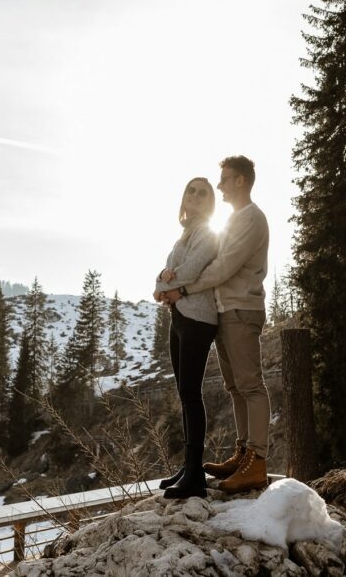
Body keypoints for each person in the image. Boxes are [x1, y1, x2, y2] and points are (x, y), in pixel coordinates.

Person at [163, 155, 270, 494]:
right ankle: (242, 452)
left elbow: (223, 267)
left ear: (240, 180)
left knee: (250, 385)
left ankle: (257, 459)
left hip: (242, 309)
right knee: (235, 387)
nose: (220, 184)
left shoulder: (251, 218)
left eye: (224, 179)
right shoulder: (235, 219)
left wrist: (183, 289)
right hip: (226, 311)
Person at [153, 177, 219, 499]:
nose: (194, 196)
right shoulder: (184, 236)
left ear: (209, 202)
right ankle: (188, 465)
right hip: (179, 317)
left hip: (198, 318)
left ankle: (196, 475)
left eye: (202, 193)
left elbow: (190, 271)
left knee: (191, 393)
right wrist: (163, 281)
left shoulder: (207, 233)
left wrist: (167, 281)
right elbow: (161, 272)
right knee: (184, 392)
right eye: (190, 191)